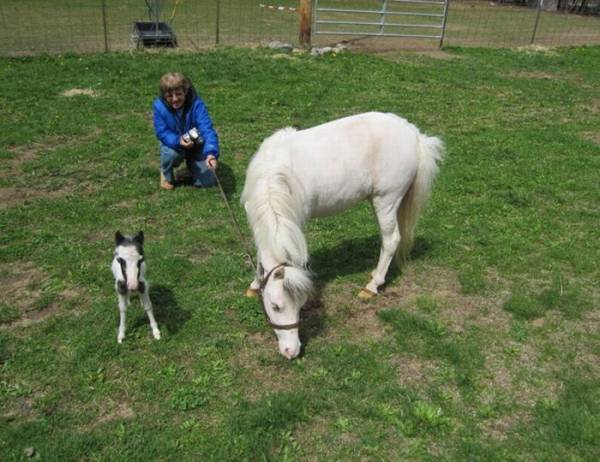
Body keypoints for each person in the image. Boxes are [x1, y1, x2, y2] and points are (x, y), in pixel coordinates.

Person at [153, 72, 220, 190]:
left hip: (196, 143)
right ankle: (166, 173)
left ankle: (192, 167)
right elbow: (162, 132)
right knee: (170, 154)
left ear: (185, 91)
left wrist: (211, 153)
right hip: (175, 145)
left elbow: (207, 129)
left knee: (208, 182)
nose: (174, 99)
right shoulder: (159, 107)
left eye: (178, 94)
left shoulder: (197, 104)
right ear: (164, 96)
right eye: (169, 96)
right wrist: (178, 141)